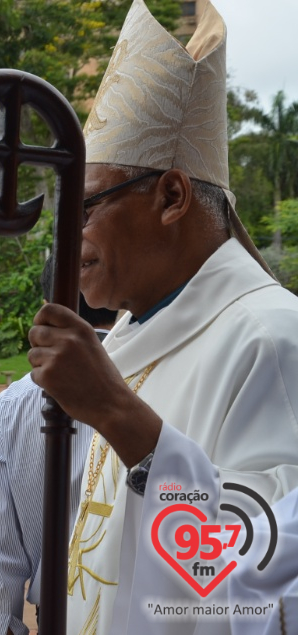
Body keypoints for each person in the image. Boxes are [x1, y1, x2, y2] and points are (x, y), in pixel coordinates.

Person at [25, 1, 298, 632]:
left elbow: (260, 585)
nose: (72, 239)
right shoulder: (132, 331)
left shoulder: (271, 340)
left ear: (172, 196)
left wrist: (121, 417)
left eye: (86, 209)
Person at [0, 258, 117, 635]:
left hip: (55, 618)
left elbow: (1, 555)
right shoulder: (153, 383)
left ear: (47, 304)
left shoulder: (9, 407)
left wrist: (3, 625)